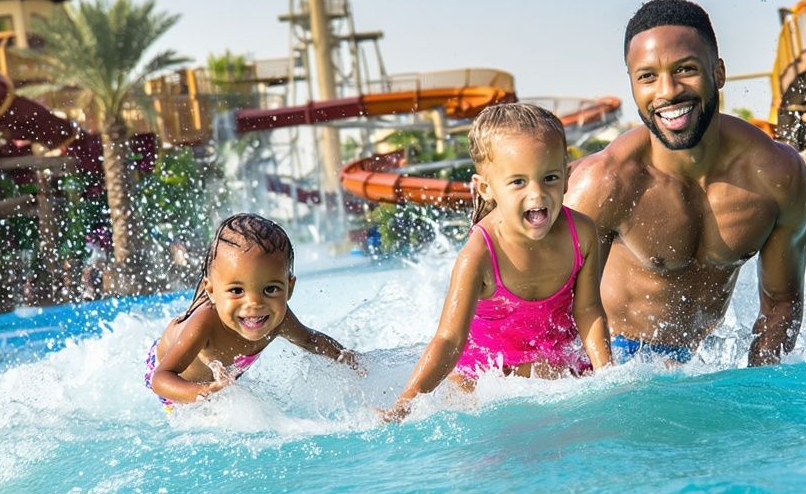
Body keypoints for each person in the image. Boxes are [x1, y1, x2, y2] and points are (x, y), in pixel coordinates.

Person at [567, 0, 806, 366]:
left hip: (703, 361)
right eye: (647, 76)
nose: (667, 91)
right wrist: (607, 389)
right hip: (616, 358)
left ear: (719, 73)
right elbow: (548, 314)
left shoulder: (776, 176)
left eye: (685, 69)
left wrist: (757, 389)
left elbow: (781, 303)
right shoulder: (605, 184)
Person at [382, 103, 613, 422]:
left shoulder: (582, 233)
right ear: (485, 188)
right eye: (518, 182)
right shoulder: (478, 255)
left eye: (549, 177)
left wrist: (608, 377)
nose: (537, 194)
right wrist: (404, 405)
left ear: (567, 175)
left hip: (556, 368)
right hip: (485, 379)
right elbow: (449, 339)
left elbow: (587, 310)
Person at [145, 213, 358, 410]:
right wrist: (203, 392)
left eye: (270, 289)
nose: (254, 303)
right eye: (237, 290)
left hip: (214, 381)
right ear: (211, 290)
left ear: (289, 288)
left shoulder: (278, 317)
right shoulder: (205, 323)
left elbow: (310, 340)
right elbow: (161, 377)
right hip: (174, 382)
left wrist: (351, 360)